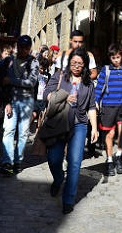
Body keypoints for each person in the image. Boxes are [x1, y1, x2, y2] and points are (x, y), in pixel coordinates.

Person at [42, 49, 98, 214]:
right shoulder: (60, 76)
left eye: (80, 63)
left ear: (85, 65)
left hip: (80, 125)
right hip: (60, 121)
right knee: (54, 158)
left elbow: (92, 107)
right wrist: (63, 97)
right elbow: (46, 94)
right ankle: (59, 178)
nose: (76, 66)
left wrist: (94, 128)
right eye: (74, 63)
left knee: (74, 162)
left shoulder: (88, 84)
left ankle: (68, 199)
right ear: (69, 63)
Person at [95, 44, 122, 176]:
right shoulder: (106, 70)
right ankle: (109, 160)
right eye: (113, 58)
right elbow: (99, 87)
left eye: (118, 57)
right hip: (109, 106)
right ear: (110, 58)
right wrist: (96, 101)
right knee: (110, 135)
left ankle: (118, 156)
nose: (116, 60)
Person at [1, 34, 39, 176]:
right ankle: (7, 162)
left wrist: (11, 81)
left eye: (26, 47)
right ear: (18, 47)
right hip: (11, 101)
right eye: (21, 47)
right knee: (8, 130)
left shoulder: (34, 62)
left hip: (26, 102)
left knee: (23, 134)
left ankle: (18, 161)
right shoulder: (9, 61)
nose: (24, 50)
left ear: (29, 48)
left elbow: (31, 83)